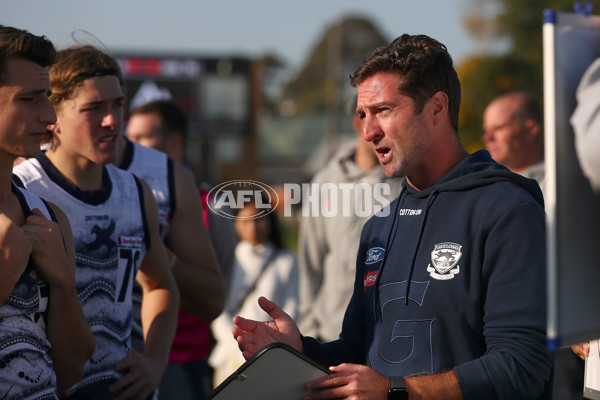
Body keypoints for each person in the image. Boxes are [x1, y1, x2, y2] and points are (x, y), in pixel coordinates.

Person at [232, 33, 553, 399]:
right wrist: (302, 352)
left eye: (383, 110)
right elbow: (360, 351)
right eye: (363, 115)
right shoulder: (379, 228)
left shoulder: (507, 210)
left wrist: (395, 392)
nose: (369, 132)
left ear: (436, 108)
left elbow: (522, 366)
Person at [13, 44, 179, 400]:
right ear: (53, 115)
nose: (112, 120)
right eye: (94, 109)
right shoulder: (24, 186)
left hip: (121, 388)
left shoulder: (135, 191)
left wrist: (154, 359)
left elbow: (160, 284)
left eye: (118, 104)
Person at [0, 24, 95, 399]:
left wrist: (64, 285)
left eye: (49, 97)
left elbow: (71, 372)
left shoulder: (48, 218)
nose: (50, 115)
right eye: (30, 98)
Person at [121, 99, 231, 399]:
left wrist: (160, 255)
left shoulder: (212, 205)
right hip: (129, 354)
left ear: (175, 141)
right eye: (129, 137)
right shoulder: (117, 192)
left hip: (186, 358)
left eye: (143, 137)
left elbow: (221, 287)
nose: (132, 146)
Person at [298, 96, 402, 342]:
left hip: (389, 340)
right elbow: (309, 263)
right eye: (370, 115)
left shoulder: (408, 183)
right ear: (358, 123)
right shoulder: (325, 183)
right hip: (331, 336)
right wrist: (309, 330)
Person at [210, 199, 299, 386]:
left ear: (270, 221)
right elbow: (218, 311)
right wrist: (238, 349)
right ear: (235, 223)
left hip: (271, 357)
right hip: (229, 361)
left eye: (258, 219)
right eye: (245, 220)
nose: (252, 226)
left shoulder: (286, 260)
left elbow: (293, 308)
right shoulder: (228, 259)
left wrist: (269, 349)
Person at [482, 91, 546, 198]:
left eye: (498, 128)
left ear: (530, 130)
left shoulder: (557, 182)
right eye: (486, 130)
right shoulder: (484, 187)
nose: (487, 138)